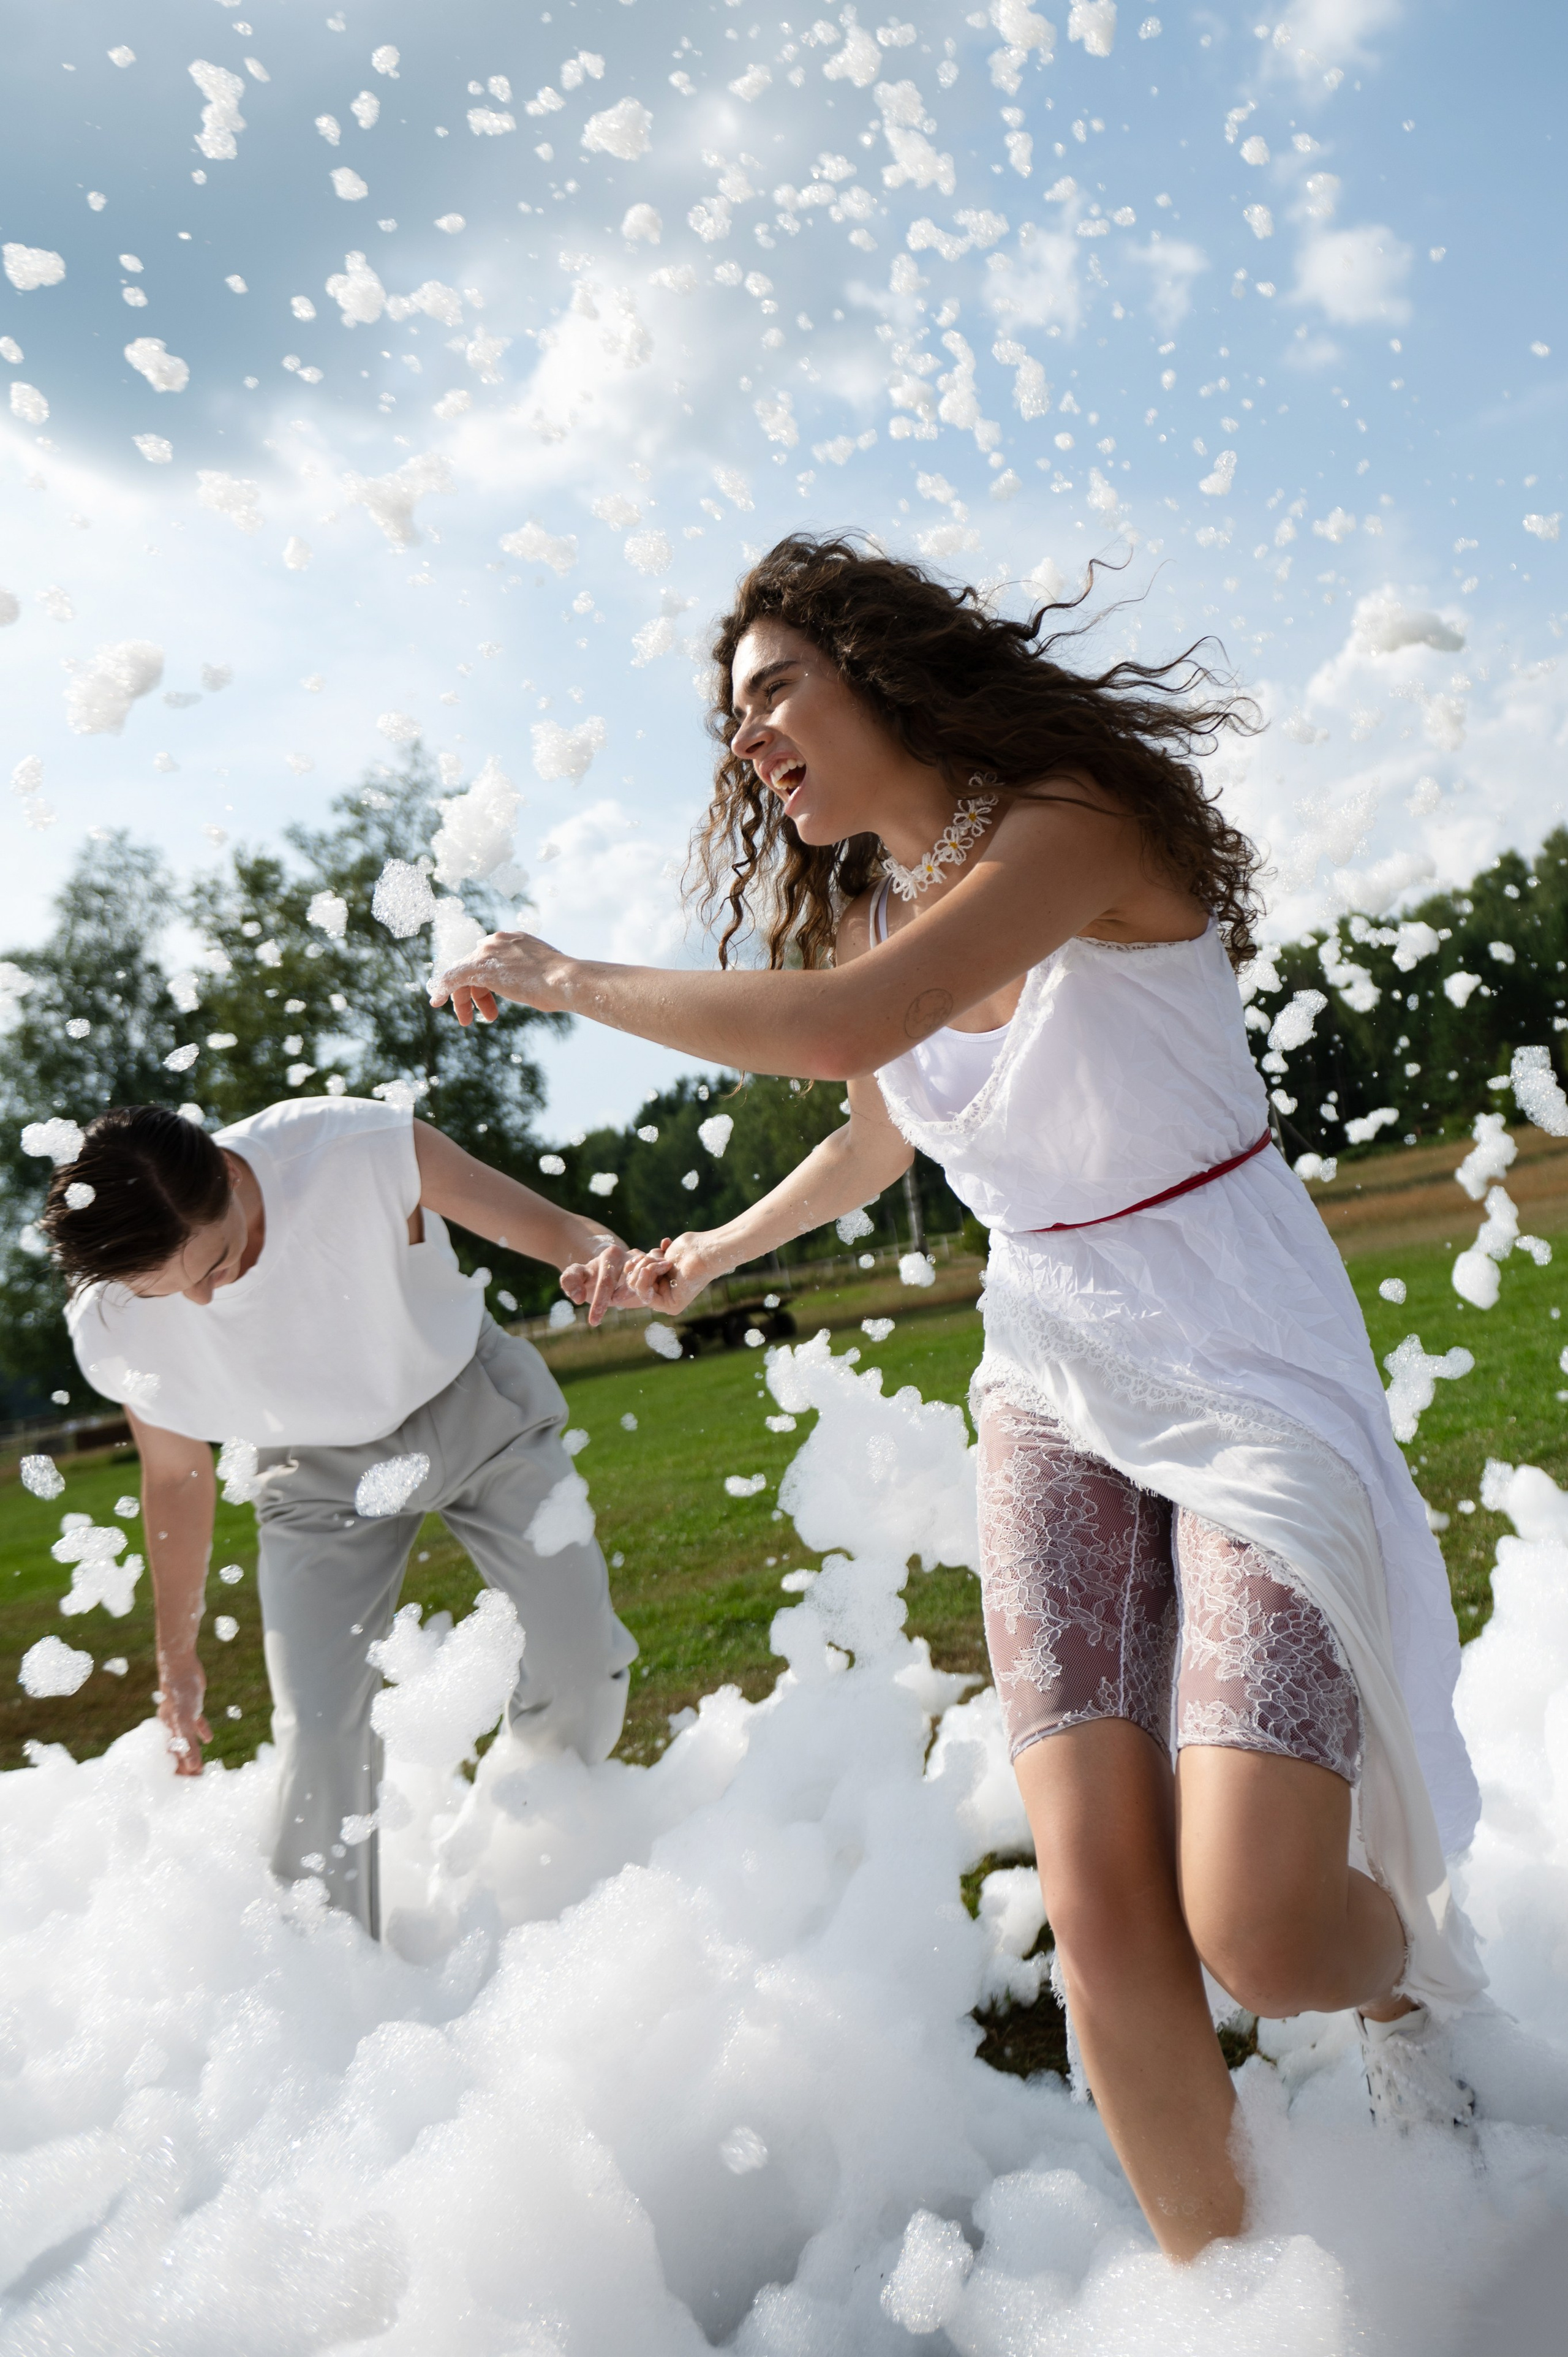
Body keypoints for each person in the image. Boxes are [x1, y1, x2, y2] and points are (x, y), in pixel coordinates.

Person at [432, 534, 1487, 2260]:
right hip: (1051, 1377)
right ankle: (1226, 2305)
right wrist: (719, 1245)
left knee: (1267, 1930)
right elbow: (879, 1117)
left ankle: (1411, 1994)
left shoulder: (1077, 820)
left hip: (1244, 1358)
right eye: (733, 715)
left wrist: (561, 976)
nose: (749, 736)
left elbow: (863, 1020)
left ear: (884, 668)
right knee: (1097, 1893)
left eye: (774, 688)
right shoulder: (867, 902)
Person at [42, 1095, 638, 1938]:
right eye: (164, 1292)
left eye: (214, 1264)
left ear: (227, 1170)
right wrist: (176, 1658)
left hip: (470, 1406)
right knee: (318, 1731)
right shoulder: (110, 1324)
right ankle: (328, 1976)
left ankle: (533, 1872)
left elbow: (557, 1229)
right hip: (313, 1476)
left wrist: (605, 1259)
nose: (203, 1303)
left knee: (581, 1659)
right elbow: (177, 1476)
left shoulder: (352, 1149)